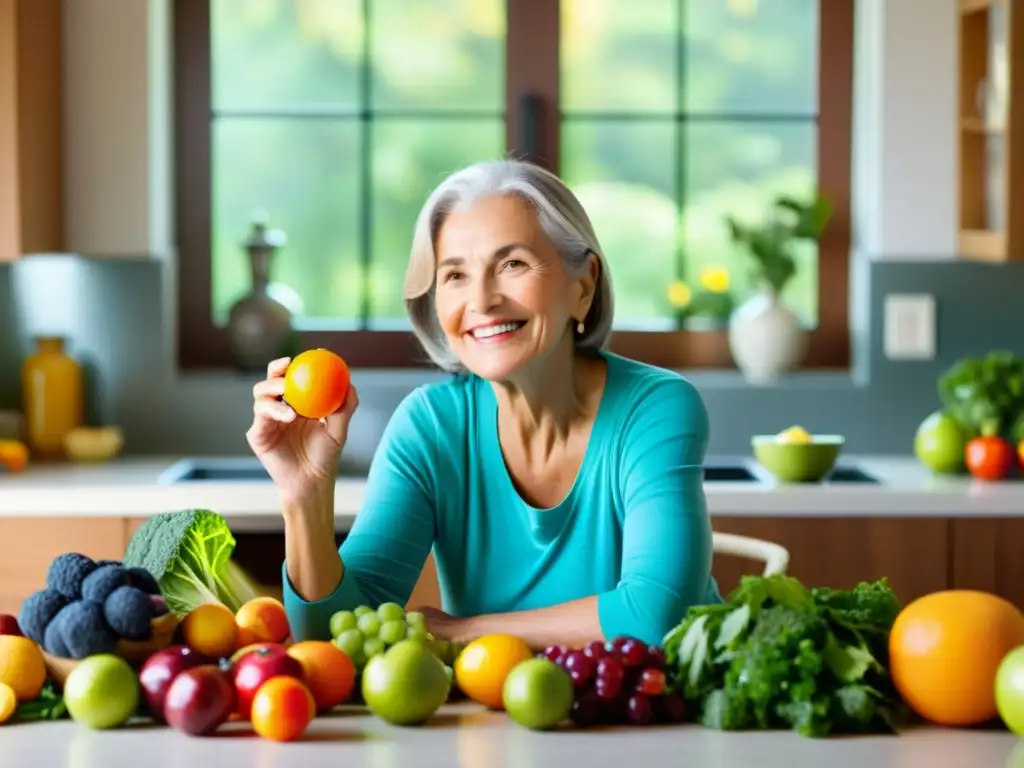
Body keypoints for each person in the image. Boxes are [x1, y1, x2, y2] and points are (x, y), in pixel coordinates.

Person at [247, 159, 721, 651]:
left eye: (512, 264)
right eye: (455, 275)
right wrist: (304, 496)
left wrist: (465, 630)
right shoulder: (431, 426)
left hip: (661, 717)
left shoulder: (655, 408)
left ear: (583, 286)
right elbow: (339, 640)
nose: (482, 300)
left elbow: (655, 616)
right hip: (498, 717)